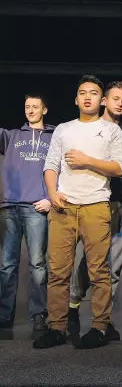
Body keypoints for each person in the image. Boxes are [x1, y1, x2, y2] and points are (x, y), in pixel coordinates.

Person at [33, 75, 122, 349]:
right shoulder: (63, 129)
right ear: (76, 99)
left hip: (96, 206)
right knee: (58, 271)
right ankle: (57, 327)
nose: (88, 97)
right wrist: (52, 193)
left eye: (94, 93)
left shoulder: (111, 131)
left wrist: (87, 160)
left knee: (99, 271)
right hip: (63, 207)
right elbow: (50, 165)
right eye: (83, 93)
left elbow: (119, 168)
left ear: (102, 100)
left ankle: (99, 327)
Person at [68, 81, 122, 341]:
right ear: (104, 101)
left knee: (114, 266)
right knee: (90, 262)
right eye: (115, 98)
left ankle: (103, 320)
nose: (120, 103)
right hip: (95, 201)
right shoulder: (89, 129)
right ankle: (73, 306)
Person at [0, 94, 54, 332]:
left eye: (35, 107)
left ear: (44, 109)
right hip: (10, 206)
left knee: (38, 264)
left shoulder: (54, 138)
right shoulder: (12, 135)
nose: (30, 110)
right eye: (27, 107)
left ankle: (39, 315)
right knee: (6, 265)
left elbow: (60, 169)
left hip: (36, 207)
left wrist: (51, 199)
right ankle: (4, 315)